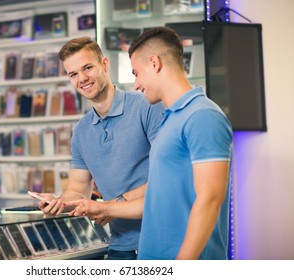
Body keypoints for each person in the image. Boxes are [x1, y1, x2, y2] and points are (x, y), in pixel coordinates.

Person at [66, 27, 233, 260]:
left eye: (136, 73)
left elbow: (210, 200)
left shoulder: (203, 116)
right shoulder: (171, 118)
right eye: (73, 74)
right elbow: (159, 195)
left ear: (154, 63)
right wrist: (105, 208)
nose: (135, 84)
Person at [30, 36, 164, 260]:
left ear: (104, 64)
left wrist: (112, 205)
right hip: (120, 246)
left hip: (159, 241)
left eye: (87, 67)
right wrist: (57, 203)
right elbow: (78, 189)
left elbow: (167, 177)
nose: (82, 78)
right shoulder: (82, 131)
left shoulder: (146, 106)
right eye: (73, 74)